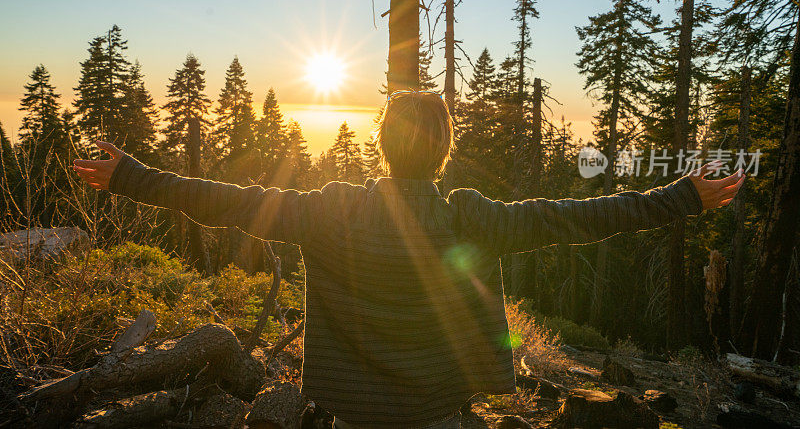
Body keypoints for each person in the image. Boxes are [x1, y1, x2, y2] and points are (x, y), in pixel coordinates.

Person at [73, 90, 744, 429]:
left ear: (383, 146)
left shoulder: (330, 211)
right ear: (443, 152)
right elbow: (581, 218)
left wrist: (133, 176)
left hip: (353, 413)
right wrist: (682, 197)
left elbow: (225, 200)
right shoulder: (472, 220)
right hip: (439, 414)